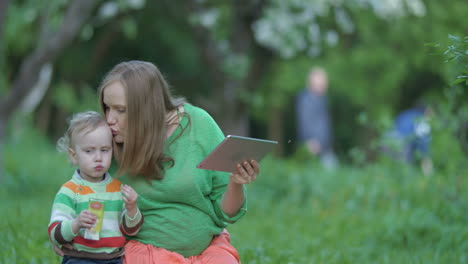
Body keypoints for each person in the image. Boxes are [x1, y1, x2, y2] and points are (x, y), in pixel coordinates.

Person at [56, 60, 260, 263]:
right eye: (107, 108)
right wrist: (69, 233)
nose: (110, 119)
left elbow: (227, 212)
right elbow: (84, 193)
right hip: (143, 253)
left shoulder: (200, 124)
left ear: (148, 108)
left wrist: (236, 183)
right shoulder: (111, 141)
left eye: (121, 110)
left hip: (207, 251)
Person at [49, 111, 143, 264]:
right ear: (73, 155)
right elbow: (55, 232)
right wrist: (76, 223)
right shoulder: (69, 191)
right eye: (89, 151)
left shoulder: (117, 189)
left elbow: (131, 230)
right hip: (79, 258)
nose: (98, 157)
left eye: (104, 150)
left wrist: (132, 208)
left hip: (114, 258)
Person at [295, 67, 338, 169]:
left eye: (324, 84)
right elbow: (304, 121)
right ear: (311, 83)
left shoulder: (322, 99)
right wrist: (310, 140)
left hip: (324, 146)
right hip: (312, 146)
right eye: (320, 84)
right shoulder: (306, 100)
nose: (323, 86)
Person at [385, 105, 433, 174]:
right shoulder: (421, 119)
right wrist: (425, 156)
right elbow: (422, 139)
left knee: (389, 169)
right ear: (426, 111)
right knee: (404, 170)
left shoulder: (407, 113)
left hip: (387, 139)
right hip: (401, 141)